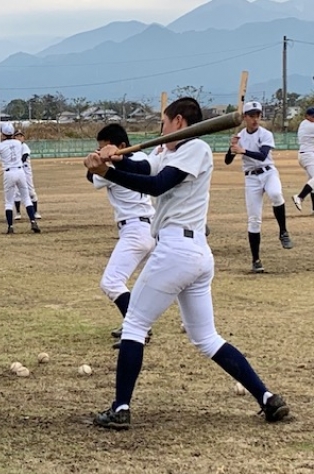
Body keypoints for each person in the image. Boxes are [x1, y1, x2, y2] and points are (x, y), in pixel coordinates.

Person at [83, 97, 289, 430]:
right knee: (206, 337)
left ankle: (120, 408)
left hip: (177, 250)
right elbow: (143, 169)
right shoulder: (168, 152)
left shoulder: (196, 149)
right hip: (191, 254)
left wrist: (107, 171)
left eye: (164, 122)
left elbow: (156, 185)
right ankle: (267, 398)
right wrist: (116, 158)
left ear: (178, 121)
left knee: (134, 326)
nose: (161, 128)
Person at [87, 124, 155, 349]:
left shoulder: (113, 167)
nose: (102, 153)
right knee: (143, 285)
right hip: (150, 228)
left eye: (105, 148)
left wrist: (97, 162)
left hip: (135, 230)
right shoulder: (143, 158)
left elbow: (92, 177)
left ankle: (139, 329)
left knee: (111, 282)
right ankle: (133, 324)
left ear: (122, 146)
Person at [225, 101, 293, 274]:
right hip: (251, 178)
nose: (255, 119)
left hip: (268, 172)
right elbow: (227, 161)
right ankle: (256, 260)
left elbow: (263, 156)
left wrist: (242, 151)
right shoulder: (240, 136)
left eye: (258, 115)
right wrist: (232, 148)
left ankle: (283, 232)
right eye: (251, 116)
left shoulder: (265, 134)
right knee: (254, 220)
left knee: (276, 194)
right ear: (245, 117)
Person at [0, 123, 40, 234]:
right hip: (20, 172)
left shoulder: (0, 146)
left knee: (8, 202)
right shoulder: (18, 143)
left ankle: (10, 226)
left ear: (3, 134)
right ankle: (33, 221)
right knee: (26, 198)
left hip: (9, 173)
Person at [12, 131, 41, 220]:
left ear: (23, 138)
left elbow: (24, 157)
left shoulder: (24, 146)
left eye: (21, 136)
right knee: (17, 193)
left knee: (31, 192)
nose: (19, 138)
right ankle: (18, 213)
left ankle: (35, 212)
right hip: (16, 173)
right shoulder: (12, 148)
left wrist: (17, 163)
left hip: (26, 173)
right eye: (17, 136)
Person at [292, 106, 314, 214]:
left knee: (312, 182)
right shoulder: (310, 126)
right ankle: (300, 197)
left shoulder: (303, 123)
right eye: (313, 116)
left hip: (305, 155)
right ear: (307, 116)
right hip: (308, 156)